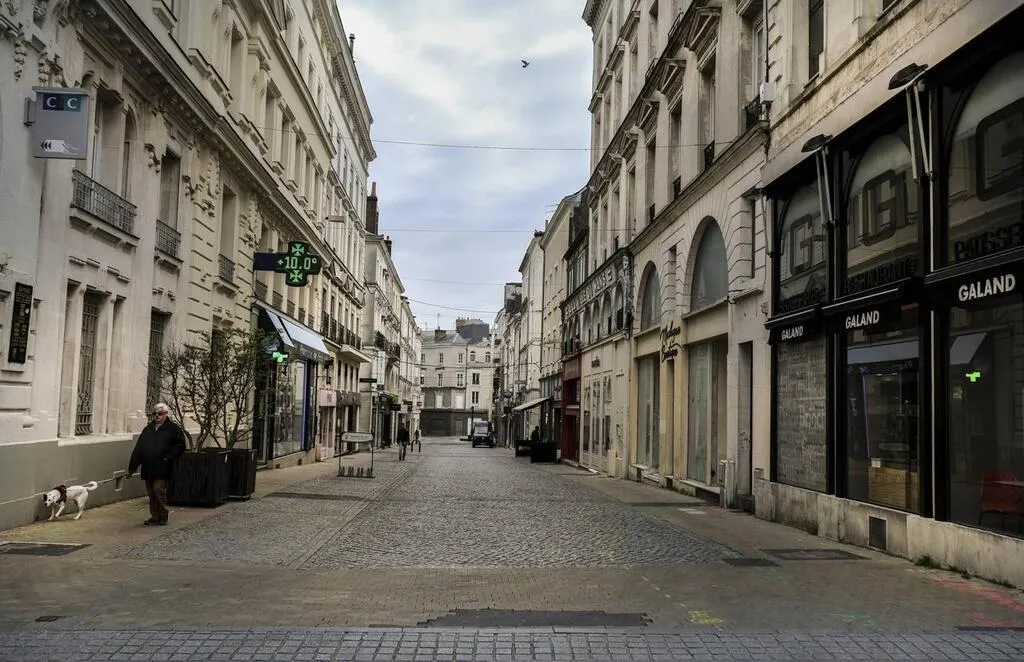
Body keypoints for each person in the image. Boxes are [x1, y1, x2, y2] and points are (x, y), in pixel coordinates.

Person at [127, 403, 186, 526]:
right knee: (151, 492)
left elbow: (180, 446)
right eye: (155, 413)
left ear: (165, 414)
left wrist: (168, 457)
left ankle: (163, 514)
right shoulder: (148, 429)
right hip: (148, 466)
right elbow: (139, 449)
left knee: (158, 489)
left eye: (160, 413)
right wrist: (132, 467)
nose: (157, 416)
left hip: (162, 467)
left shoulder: (173, 429)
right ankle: (154, 515)